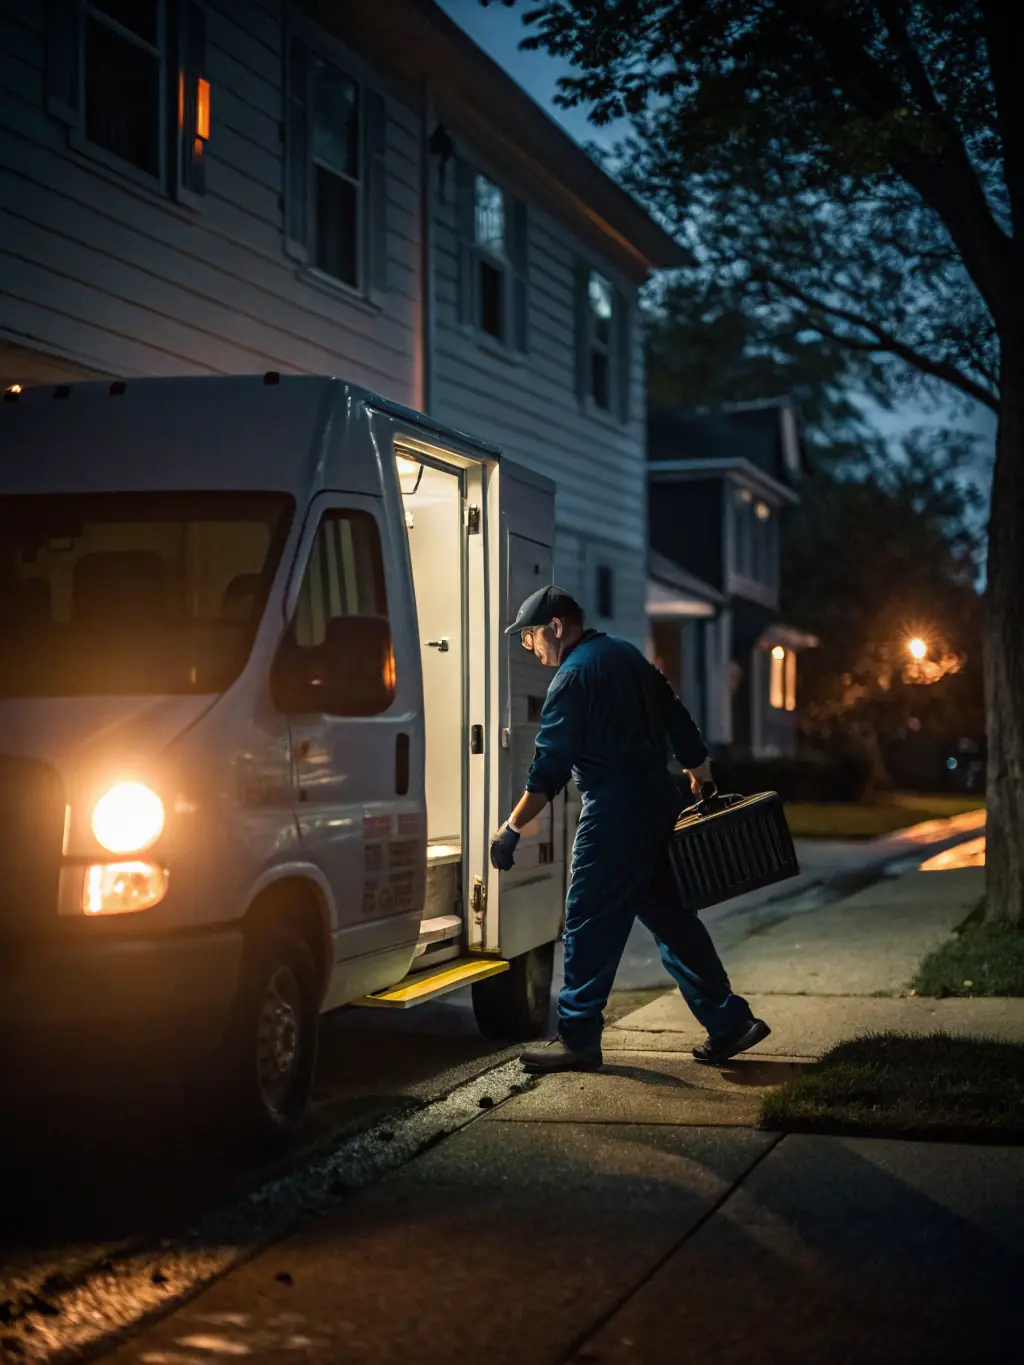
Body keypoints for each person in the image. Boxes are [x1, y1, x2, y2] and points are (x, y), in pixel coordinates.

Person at [490, 585, 770, 1074]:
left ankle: (577, 1038)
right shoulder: (626, 654)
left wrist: (512, 828)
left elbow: (550, 767)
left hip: (614, 811)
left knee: (587, 918)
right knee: (673, 919)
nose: (528, 647)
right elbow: (675, 713)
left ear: (556, 627)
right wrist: (699, 770)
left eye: (531, 636)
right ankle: (729, 1023)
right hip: (659, 802)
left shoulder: (572, 677)